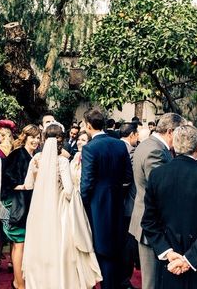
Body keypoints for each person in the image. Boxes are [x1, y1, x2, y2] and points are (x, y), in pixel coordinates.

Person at [141, 125, 197, 289]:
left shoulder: (157, 176)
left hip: (172, 263)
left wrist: (168, 252)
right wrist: (188, 258)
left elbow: (149, 222)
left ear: (173, 145)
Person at [22, 121, 102, 288]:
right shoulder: (62, 161)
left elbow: (28, 185)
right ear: (61, 140)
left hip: (39, 210)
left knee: (40, 247)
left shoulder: (36, 159)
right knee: (60, 248)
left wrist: (38, 177)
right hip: (59, 210)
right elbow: (68, 190)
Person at [80, 109, 133, 289]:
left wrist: (84, 203)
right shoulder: (119, 144)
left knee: (102, 249)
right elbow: (127, 176)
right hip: (118, 201)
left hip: (97, 204)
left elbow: (86, 183)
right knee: (116, 247)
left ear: (88, 125)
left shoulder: (90, 148)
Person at [129, 113, 181, 289]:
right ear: (170, 131)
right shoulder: (156, 150)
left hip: (146, 220)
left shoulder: (147, 144)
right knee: (152, 281)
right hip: (152, 225)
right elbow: (160, 190)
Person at [1, 124, 41, 289]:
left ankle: (18, 280)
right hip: (14, 206)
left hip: (25, 205)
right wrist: (23, 186)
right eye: (32, 137)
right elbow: (5, 179)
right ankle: (19, 284)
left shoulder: (34, 156)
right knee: (19, 244)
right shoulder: (17, 154)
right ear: (25, 137)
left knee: (18, 245)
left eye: (38, 137)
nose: (36, 140)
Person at [119, 122, 139, 289]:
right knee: (128, 245)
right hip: (129, 204)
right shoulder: (131, 152)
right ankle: (124, 280)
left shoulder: (115, 147)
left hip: (117, 204)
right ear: (132, 134)